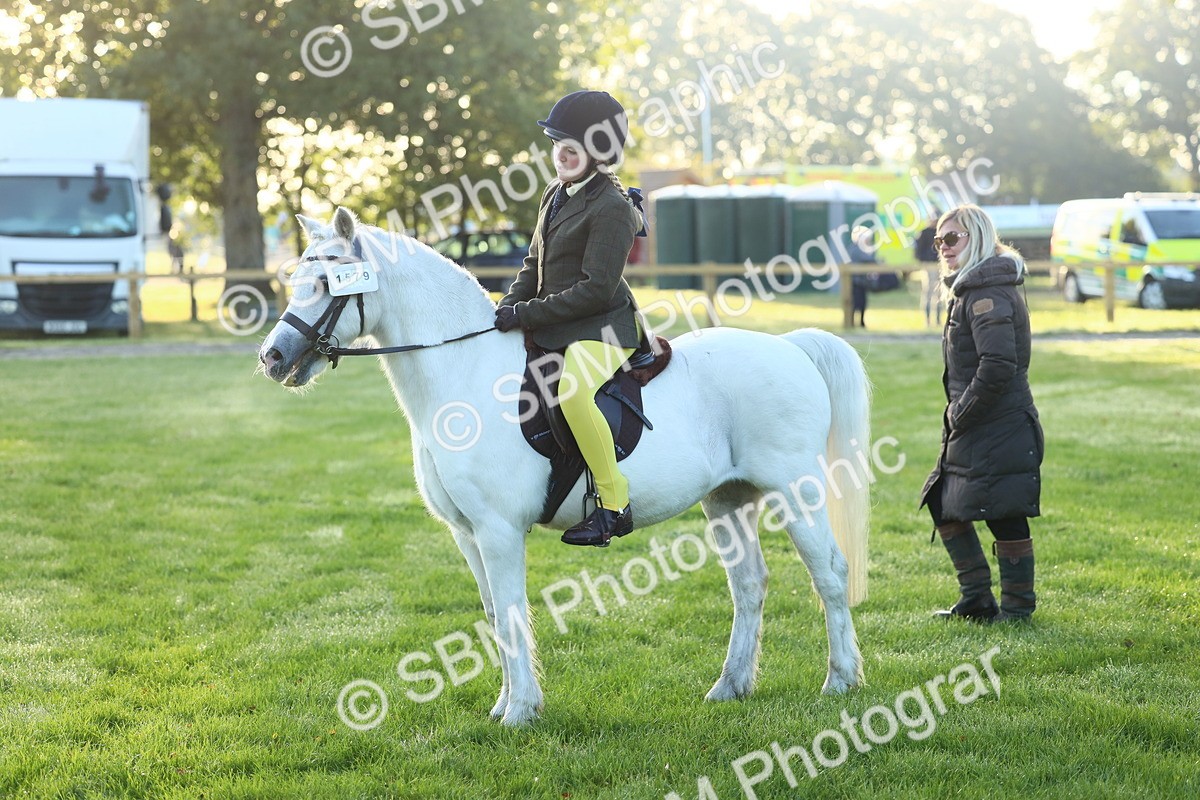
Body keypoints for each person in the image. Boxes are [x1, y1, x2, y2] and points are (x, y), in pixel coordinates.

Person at [494, 90, 645, 547]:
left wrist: (525, 314)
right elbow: (533, 265)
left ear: (599, 153)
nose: (560, 152)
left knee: (574, 393)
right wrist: (505, 307)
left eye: (571, 146)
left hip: (601, 326)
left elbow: (595, 290)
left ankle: (614, 504)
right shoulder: (554, 194)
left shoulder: (614, 209)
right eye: (557, 142)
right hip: (556, 319)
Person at [918, 204, 1044, 623]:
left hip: (1000, 422)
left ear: (979, 238)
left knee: (1005, 513)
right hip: (977, 421)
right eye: (939, 241)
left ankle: (1017, 610)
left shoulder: (987, 292)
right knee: (943, 501)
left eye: (952, 238)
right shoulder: (970, 289)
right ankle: (976, 598)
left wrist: (960, 413)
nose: (944, 248)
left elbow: (998, 366)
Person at [915, 212, 944, 327]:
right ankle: (927, 319)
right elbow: (919, 251)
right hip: (929, 264)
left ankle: (937, 319)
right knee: (928, 290)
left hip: (939, 264)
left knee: (940, 292)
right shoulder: (925, 233)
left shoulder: (940, 233)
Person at [846, 226, 876, 328]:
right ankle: (853, 322)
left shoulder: (862, 248)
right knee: (856, 302)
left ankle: (861, 322)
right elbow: (869, 259)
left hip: (862, 280)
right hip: (856, 281)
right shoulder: (855, 249)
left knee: (863, 302)